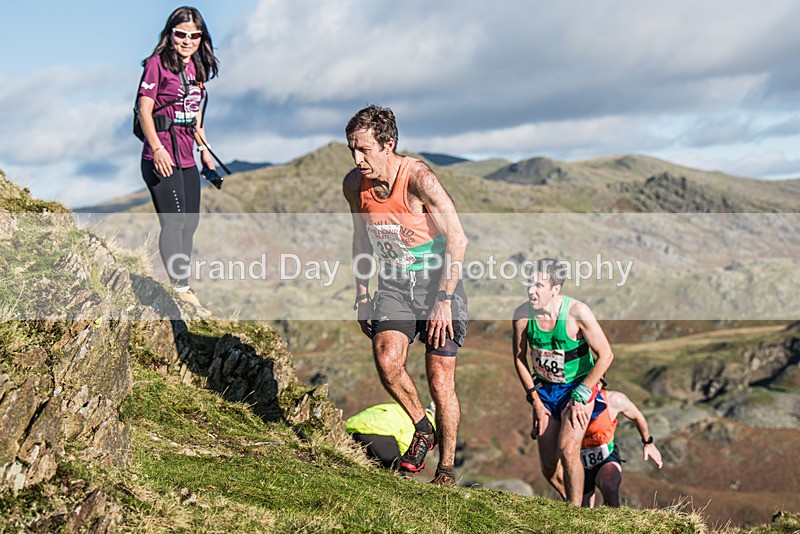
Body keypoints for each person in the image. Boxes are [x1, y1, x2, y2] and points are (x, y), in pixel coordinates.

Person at [342, 105, 469, 486]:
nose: (357, 158)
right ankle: (421, 426)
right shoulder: (354, 185)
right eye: (351, 149)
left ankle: (445, 469)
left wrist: (443, 301)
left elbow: (458, 239)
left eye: (364, 149)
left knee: (440, 377)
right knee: (387, 359)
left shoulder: (418, 179)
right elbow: (361, 240)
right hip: (395, 285)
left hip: (437, 286)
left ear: (388, 144)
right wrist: (363, 292)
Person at [136, 6, 219, 316]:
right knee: (175, 222)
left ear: (201, 38)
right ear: (170, 35)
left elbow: (195, 117)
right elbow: (144, 110)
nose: (187, 40)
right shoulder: (156, 65)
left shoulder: (197, 69)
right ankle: (180, 289)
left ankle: (183, 286)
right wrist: (156, 149)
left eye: (193, 35)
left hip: (187, 156)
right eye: (180, 34)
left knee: (191, 224)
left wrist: (205, 149)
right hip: (160, 156)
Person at [511, 258, 614, 505]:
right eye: (529, 284)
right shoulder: (522, 316)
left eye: (538, 285)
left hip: (578, 388)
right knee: (549, 467)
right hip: (545, 391)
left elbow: (606, 355)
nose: (531, 290)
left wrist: (581, 393)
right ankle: (578, 498)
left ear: (555, 289)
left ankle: (576, 516)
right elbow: (518, 359)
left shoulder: (577, 312)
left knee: (568, 450)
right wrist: (534, 399)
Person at [581, 389, 663, 507]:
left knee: (610, 485)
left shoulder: (614, 400)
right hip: (576, 460)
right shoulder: (568, 401)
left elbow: (637, 416)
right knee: (581, 506)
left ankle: (614, 521)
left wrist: (648, 442)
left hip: (605, 456)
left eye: (598, 380)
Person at [346, 402, 436, 469]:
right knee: (396, 474)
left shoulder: (404, 407)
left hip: (353, 428)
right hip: (379, 435)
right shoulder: (427, 424)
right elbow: (408, 443)